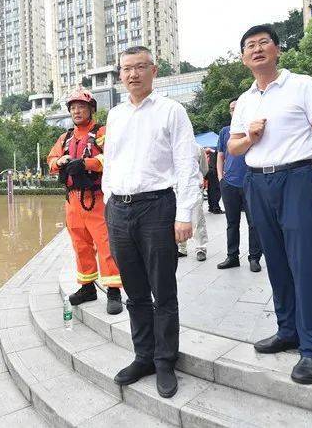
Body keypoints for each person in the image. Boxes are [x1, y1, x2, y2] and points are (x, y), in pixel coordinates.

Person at [228, 25, 312, 385]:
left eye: (264, 43)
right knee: (275, 260)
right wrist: (250, 136)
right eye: (250, 46)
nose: (257, 49)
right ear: (244, 58)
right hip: (256, 182)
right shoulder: (245, 100)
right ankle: (287, 330)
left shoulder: (302, 84)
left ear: (277, 49)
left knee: (304, 263)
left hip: (296, 179)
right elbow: (233, 148)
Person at [102, 45, 201, 398]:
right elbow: (109, 162)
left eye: (140, 67)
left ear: (153, 70)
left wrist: (184, 213)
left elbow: (187, 164)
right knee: (135, 292)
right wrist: (107, 202)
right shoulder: (114, 115)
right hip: (120, 210)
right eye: (126, 68)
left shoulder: (172, 111)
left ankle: (164, 360)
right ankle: (143, 355)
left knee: (163, 290)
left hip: (157, 208)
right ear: (120, 74)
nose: (133, 74)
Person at [47, 88, 123, 315]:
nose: (76, 111)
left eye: (81, 107)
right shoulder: (65, 137)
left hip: (96, 199)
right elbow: (50, 160)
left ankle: (114, 291)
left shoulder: (102, 132)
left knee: (105, 244)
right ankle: (87, 287)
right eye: (73, 108)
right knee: (80, 245)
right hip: (72, 200)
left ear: (91, 109)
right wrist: (60, 161)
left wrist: (86, 164)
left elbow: (112, 156)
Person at [217, 98, 263, 272]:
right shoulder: (224, 132)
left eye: (237, 108)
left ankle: (254, 257)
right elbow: (220, 156)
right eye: (231, 109)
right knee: (232, 222)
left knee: (254, 222)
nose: (234, 111)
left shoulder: (254, 131)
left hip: (251, 182)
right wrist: (221, 178)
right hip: (229, 183)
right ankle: (232, 256)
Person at [178, 142, 209, 261]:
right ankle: (181, 247)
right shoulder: (174, 147)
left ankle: (201, 247)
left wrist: (199, 178)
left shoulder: (197, 148)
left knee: (197, 218)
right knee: (179, 217)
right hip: (178, 186)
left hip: (194, 186)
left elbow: (204, 168)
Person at [205, 148, 223, 213]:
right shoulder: (217, 152)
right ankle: (216, 208)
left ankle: (211, 207)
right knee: (216, 190)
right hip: (214, 171)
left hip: (210, 170)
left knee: (211, 190)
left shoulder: (212, 152)